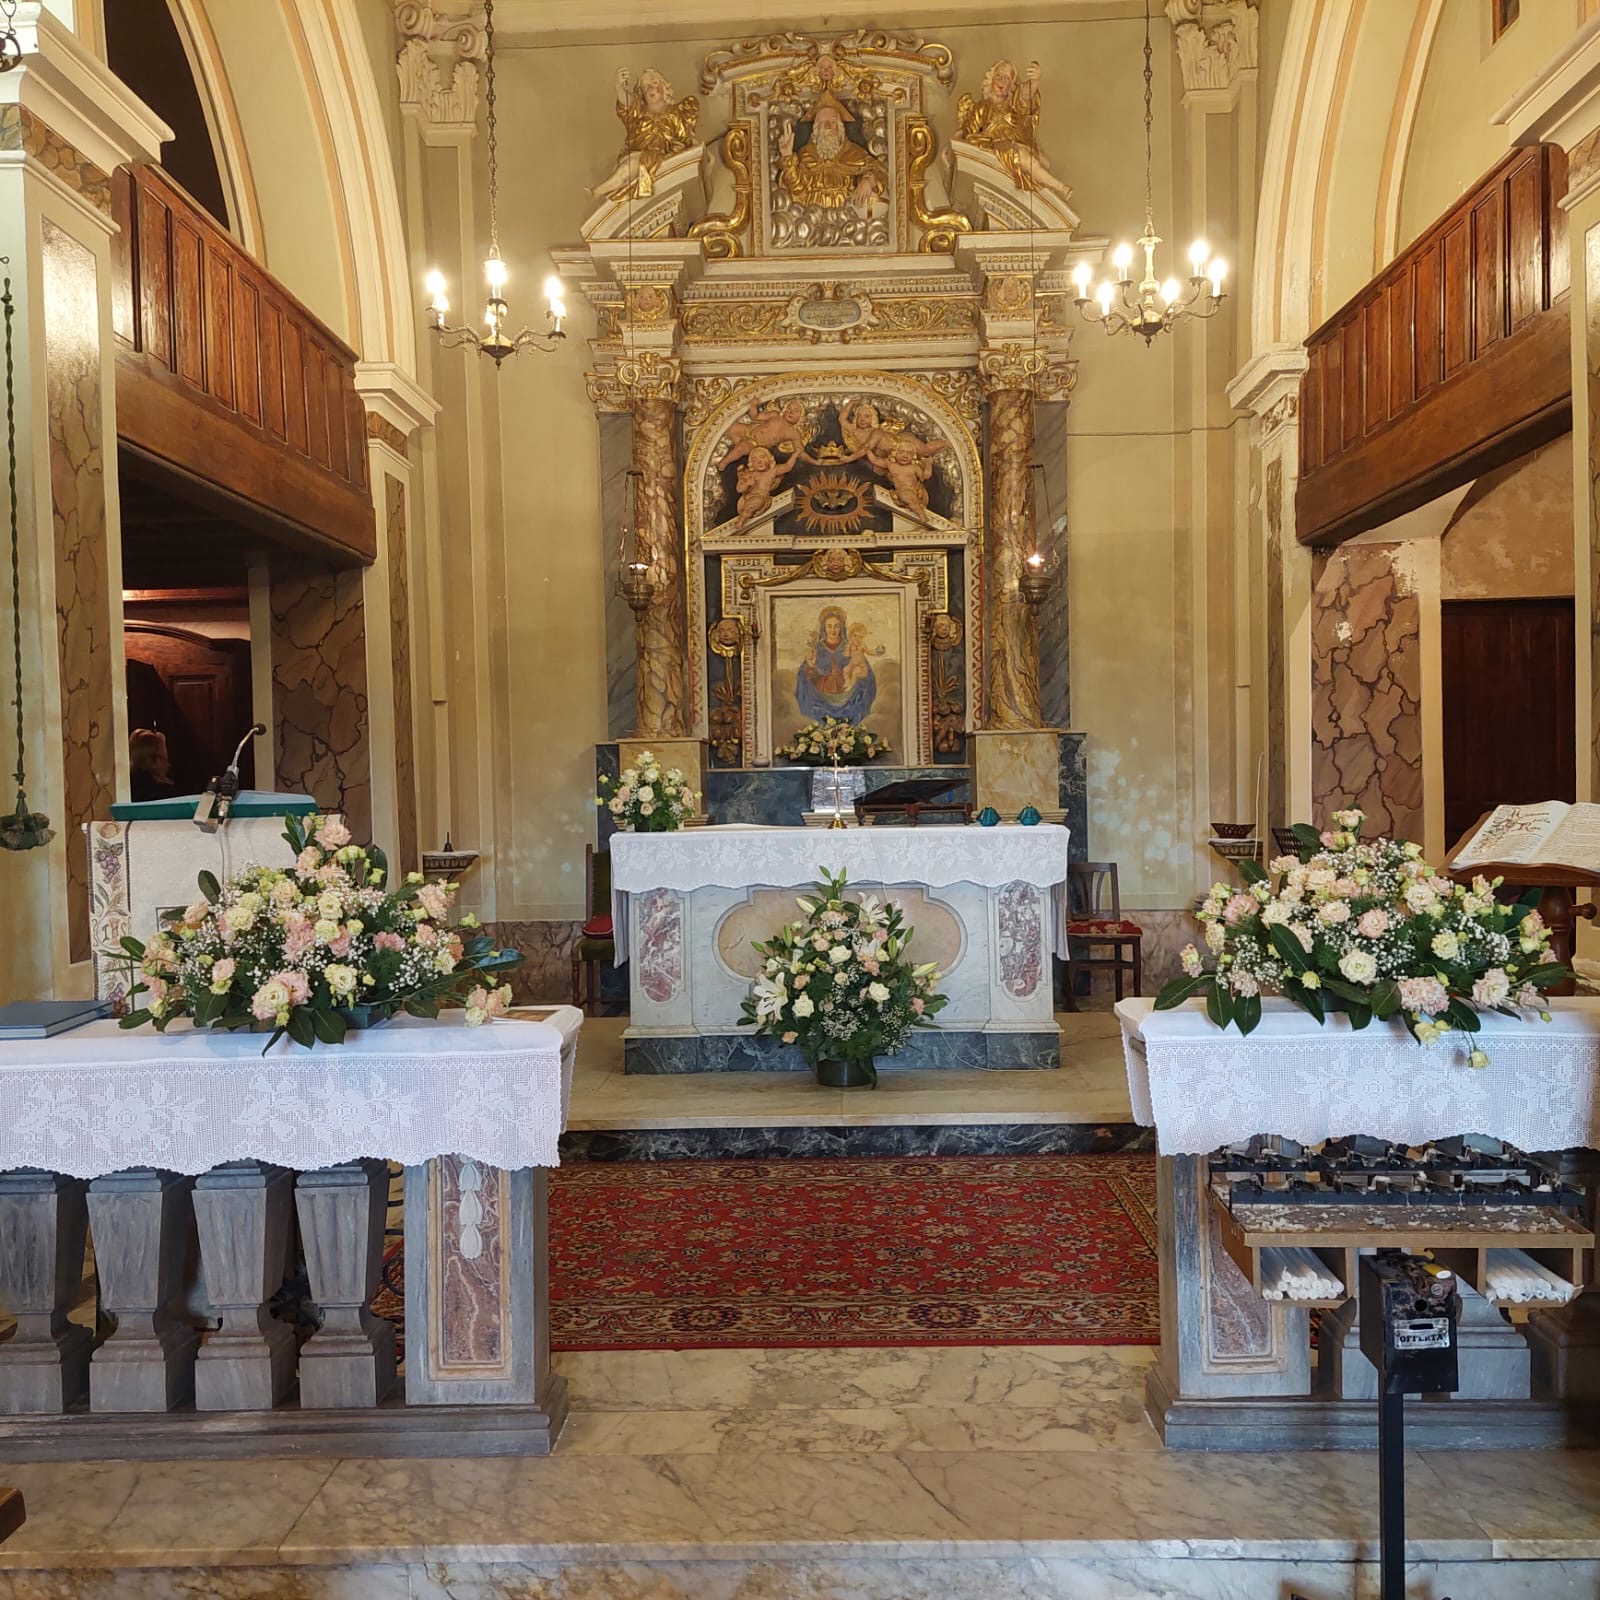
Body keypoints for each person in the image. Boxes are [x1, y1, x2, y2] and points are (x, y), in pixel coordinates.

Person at [778, 90, 886, 215]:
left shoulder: (855, 152)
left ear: (840, 128)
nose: (828, 127)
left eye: (833, 122)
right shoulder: (805, 155)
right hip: (813, 215)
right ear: (816, 129)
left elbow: (878, 171)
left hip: (848, 215)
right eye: (823, 123)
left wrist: (868, 180)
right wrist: (787, 157)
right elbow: (797, 190)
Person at [796, 606, 877, 725]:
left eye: (836, 626)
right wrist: (810, 667)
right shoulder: (816, 649)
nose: (833, 630)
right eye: (829, 626)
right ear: (824, 628)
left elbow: (866, 673)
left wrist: (858, 678)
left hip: (849, 700)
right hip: (821, 700)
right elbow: (804, 677)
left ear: (841, 628)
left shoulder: (851, 647)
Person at [129, 727, 175, 802]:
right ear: (156, 760)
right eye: (164, 758)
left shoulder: (127, 785)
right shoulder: (163, 793)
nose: (168, 764)